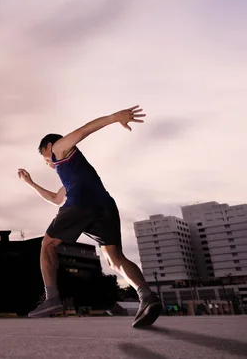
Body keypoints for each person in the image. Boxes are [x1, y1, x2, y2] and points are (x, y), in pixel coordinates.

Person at [17, 105, 162, 328]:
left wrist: (115, 117)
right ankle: (147, 296)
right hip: (105, 206)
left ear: (48, 145)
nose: (47, 161)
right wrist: (30, 183)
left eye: (44, 156)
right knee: (115, 259)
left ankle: (52, 298)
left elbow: (84, 130)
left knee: (47, 244)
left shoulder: (58, 147)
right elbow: (56, 199)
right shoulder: (71, 172)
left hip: (82, 204)